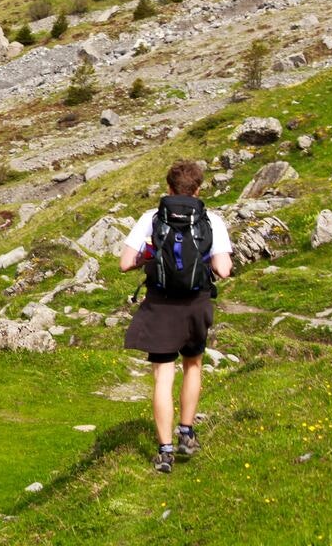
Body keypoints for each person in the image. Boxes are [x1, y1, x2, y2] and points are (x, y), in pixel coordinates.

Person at [120, 160, 232, 474]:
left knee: (163, 375)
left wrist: (149, 256)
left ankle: (165, 451)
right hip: (196, 302)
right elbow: (224, 269)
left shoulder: (152, 218)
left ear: (168, 188)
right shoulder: (211, 220)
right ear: (198, 189)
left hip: (160, 302)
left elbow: (125, 263)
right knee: (193, 364)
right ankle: (186, 432)